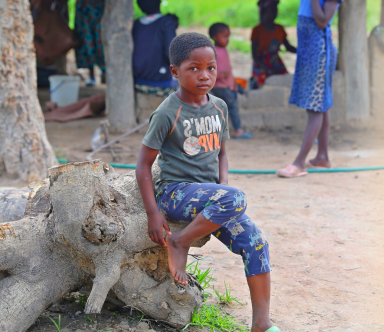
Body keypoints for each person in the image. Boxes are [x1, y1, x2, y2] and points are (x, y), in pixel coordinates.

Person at [135, 33, 277, 332]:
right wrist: (153, 212)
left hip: (214, 199)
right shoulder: (167, 112)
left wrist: (223, 188)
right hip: (176, 194)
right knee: (235, 198)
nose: (205, 75)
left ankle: (262, 325)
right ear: (175, 71)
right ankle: (179, 241)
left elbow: (222, 154)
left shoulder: (220, 107)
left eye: (211, 68)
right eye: (194, 68)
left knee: (257, 244)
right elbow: (143, 164)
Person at [276, 0, 340, 178]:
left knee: (315, 106)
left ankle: (299, 163)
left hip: (319, 52)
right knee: (321, 104)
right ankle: (322, 156)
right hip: (309, 51)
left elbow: (322, 21)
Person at [208, 23, 252, 139]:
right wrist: (228, 82)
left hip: (226, 85)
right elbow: (221, 71)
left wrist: (233, 83)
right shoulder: (216, 52)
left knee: (223, 108)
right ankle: (238, 130)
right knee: (231, 107)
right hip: (222, 86)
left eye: (228, 37)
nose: (227, 40)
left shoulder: (220, 50)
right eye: (224, 37)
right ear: (214, 37)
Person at [132, 0, 179, 97]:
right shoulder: (166, 22)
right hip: (161, 83)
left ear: (139, 6)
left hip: (138, 81)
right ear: (160, 2)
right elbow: (170, 53)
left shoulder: (136, 24)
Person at [250, 0, 295, 89]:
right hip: (261, 63)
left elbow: (288, 47)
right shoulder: (257, 30)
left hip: (276, 61)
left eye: (275, 10)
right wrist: (267, 70)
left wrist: (302, 51)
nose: (274, 13)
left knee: (285, 80)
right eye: (271, 10)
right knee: (264, 83)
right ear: (264, 12)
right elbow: (255, 56)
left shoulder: (279, 29)